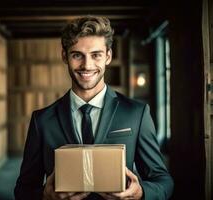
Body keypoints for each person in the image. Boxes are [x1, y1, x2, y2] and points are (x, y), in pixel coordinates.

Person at [14, 16, 174, 200]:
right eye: (77, 55)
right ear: (64, 56)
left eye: (96, 55)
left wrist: (141, 193)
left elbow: (163, 181)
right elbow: (23, 190)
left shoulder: (136, 114)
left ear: (108, 56)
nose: (87, 65)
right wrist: (44, 196)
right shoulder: (41, 120)